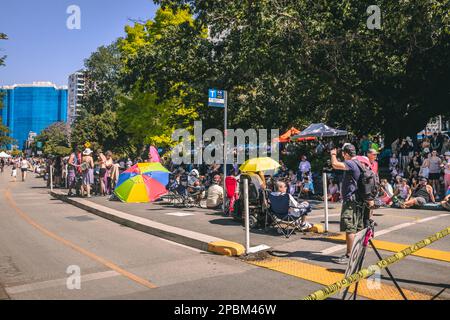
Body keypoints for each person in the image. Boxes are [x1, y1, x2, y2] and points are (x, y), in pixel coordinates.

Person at [330, 143, 373, 264]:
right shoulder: (360, 163)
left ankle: (349, 255)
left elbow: (335, 164)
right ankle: (357, 252)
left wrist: (333, 154)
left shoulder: (351, 163)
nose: (342, 156)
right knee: (358, 227)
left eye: (343, 154)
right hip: (359, 200)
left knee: (350, 228)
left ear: (346, 154)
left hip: (351, 201)